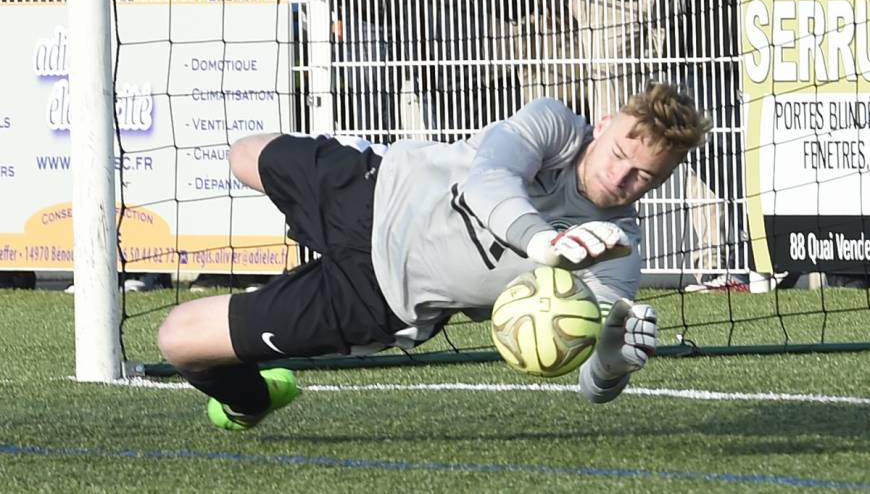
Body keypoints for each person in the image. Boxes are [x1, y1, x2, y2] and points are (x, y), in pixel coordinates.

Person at [157, 82, 710, 430]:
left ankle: (248, 401)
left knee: (179, 338)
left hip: (378, 297)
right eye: (619, 155)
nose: (621, 177)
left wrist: (612, 364)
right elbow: (488, 183)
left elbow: (592, 382)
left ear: (660, 182)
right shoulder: (555, 126)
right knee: (243, 153)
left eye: (643, 176)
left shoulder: (614, 250)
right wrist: (545, 244)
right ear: (606, 124)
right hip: (371, 189)